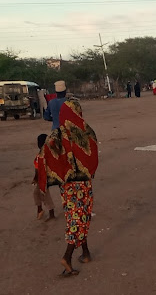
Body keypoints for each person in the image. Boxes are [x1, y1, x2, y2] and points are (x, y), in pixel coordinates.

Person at [37, 100, 98, 276]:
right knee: (82, 217)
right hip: (83, 182)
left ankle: (85, 253)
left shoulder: (56, 134)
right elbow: (93, 154)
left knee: (75, 216)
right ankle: (67, 256)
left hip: (66, 185)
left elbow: (43, 154)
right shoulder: (86, 131)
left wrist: (50, 176)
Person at [32, 133, 55, 221]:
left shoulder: (41, 154)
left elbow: (37, 169)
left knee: (44, 195)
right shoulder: (47, 152)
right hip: (43, 177)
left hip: (43, 178)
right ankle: (40, 210)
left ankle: (50, 212)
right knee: (37, 193)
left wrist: (35, 178)